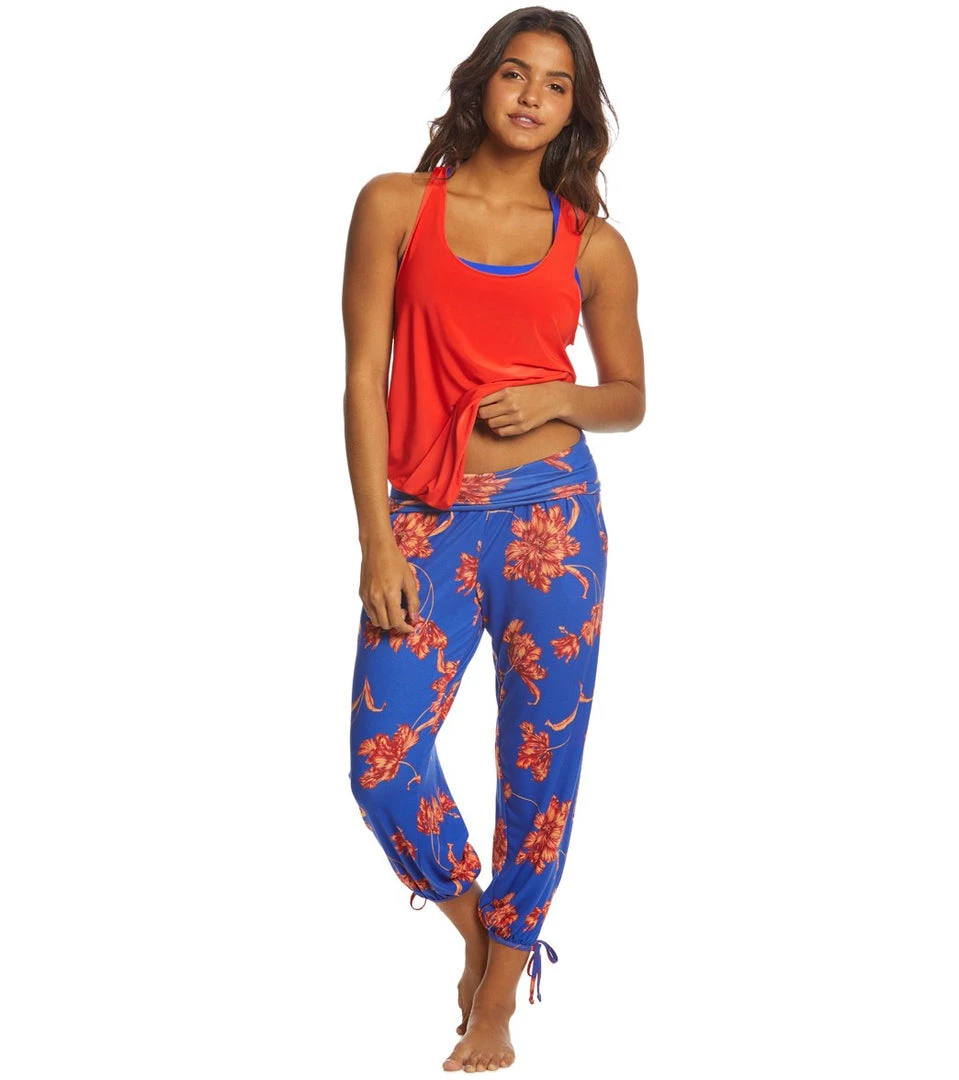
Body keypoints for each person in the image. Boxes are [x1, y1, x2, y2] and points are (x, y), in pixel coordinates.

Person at [342, 6, 644, 1072]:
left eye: (556, 85)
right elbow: (362, 382)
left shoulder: (592, 246)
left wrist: (558, 394)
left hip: (552, 519)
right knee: (382, 762)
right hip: (424, 518)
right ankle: (480, 936)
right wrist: (377, 542)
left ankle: (499, 999)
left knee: (539, 760)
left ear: (573, 111)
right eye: (516, 74)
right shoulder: (395, 206)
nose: (531, 97)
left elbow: (629, 397)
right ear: (482, 82)